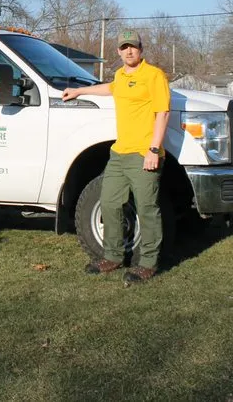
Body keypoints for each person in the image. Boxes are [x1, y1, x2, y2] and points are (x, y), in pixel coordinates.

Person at [61, 29, 171, 284]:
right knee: (109, 203)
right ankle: (113, 256)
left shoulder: (154, 75)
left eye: (133, 46)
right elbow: (110, 88)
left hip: (144, 153)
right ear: (118, 52)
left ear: (140, 49)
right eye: (124, 47)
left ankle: (148, 263)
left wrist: (154, 149)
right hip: (119, 152)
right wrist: (79, 92)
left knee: (147, 208)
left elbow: (162, 113)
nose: (129, 51)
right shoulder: (121, 75)